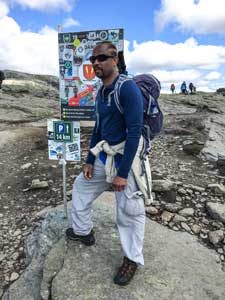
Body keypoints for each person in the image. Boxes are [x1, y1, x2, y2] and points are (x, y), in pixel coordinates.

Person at [66, 41, 147, 286]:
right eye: (93, 60)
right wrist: (90, 159)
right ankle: (83, 231)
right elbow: (99, 128)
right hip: (105, 155)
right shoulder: (100, 91)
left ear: (115, 59)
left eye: (101, 58)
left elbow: (134, 133)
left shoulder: (128, 89)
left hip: (126, 159)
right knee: (81, 187)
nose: (96, 63)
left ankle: (131, 259)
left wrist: (122, 175)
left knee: (129, 211)